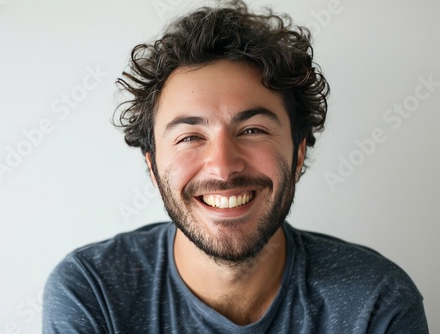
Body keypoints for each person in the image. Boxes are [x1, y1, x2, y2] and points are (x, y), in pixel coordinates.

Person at [43, 1, 428, 332]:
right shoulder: (92, 290)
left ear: (298, 153)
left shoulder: (376, 301)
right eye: (190, 136)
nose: (224, 167)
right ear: (152, 164)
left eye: (252, 129)